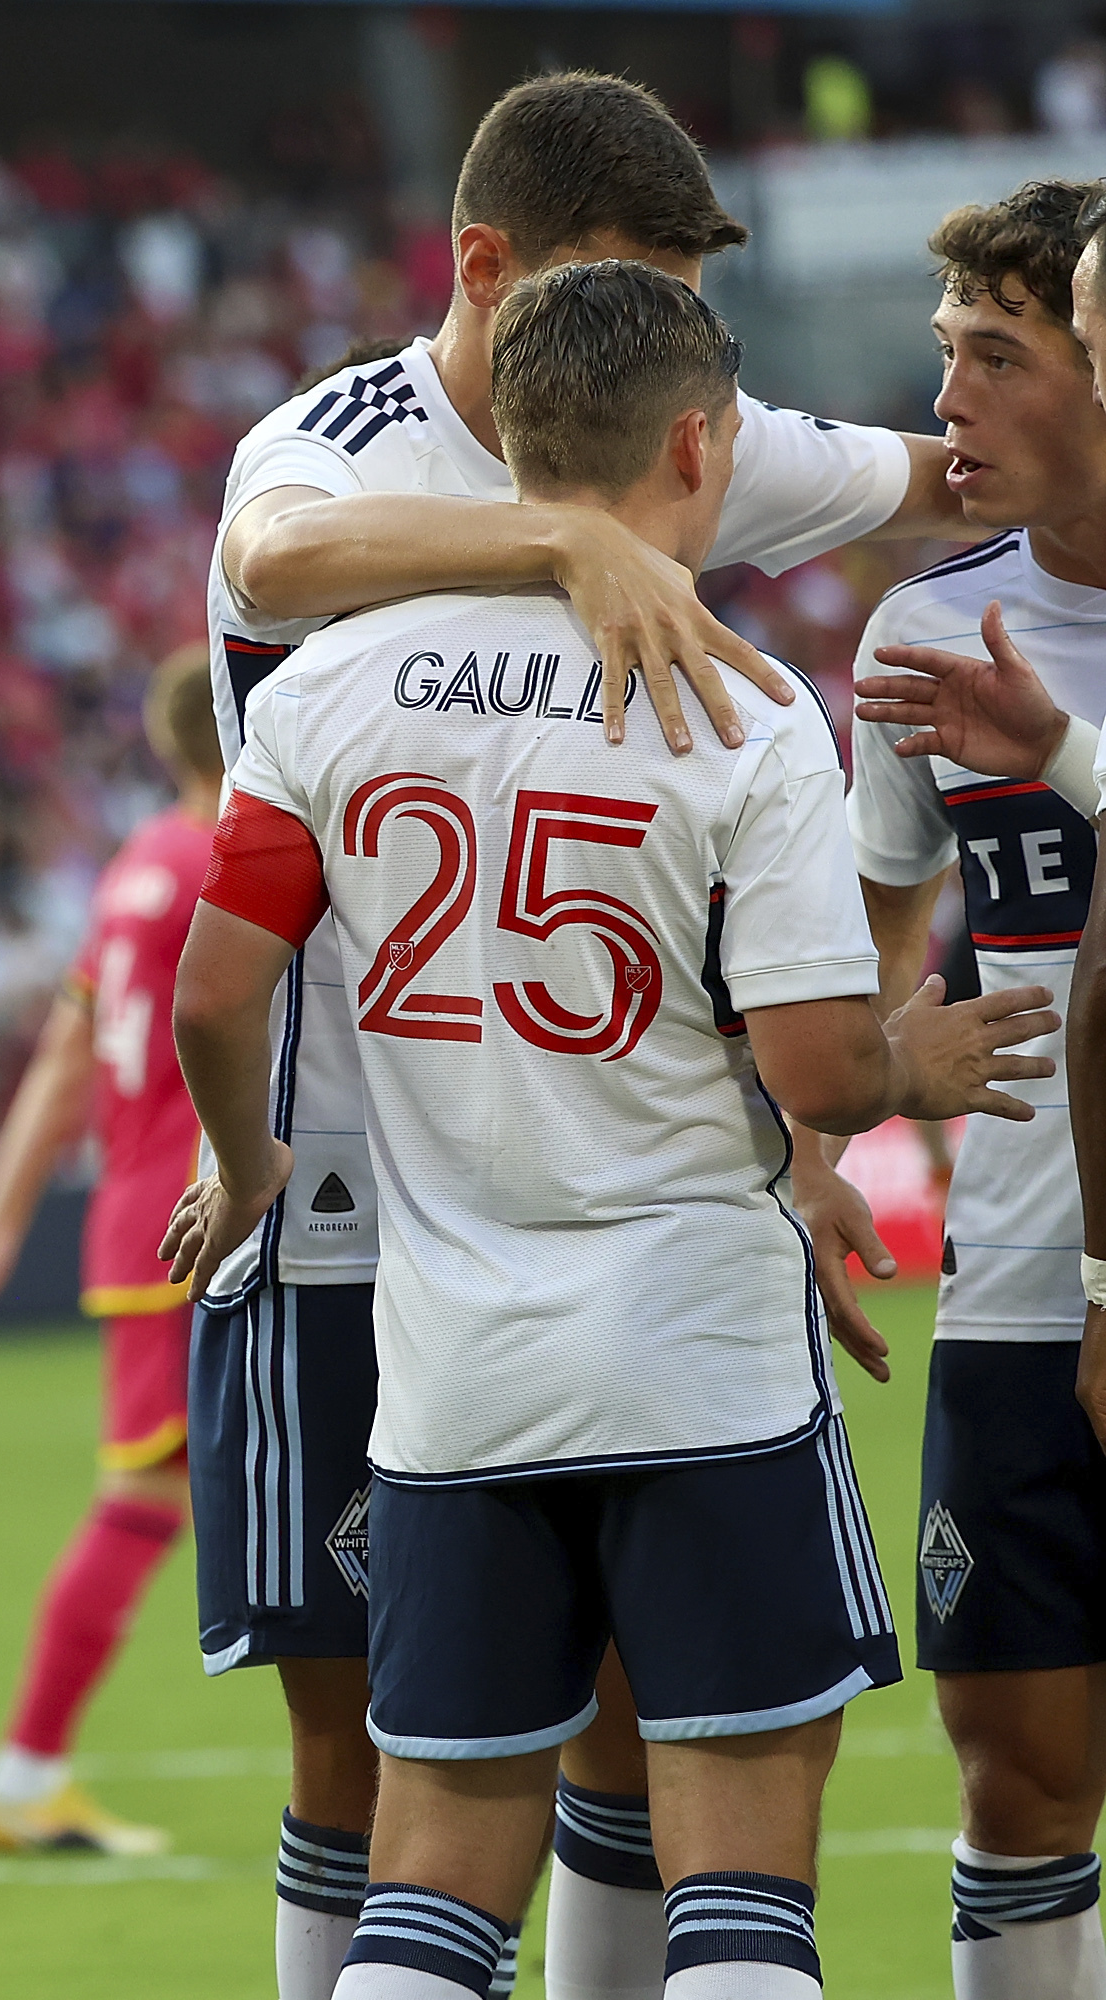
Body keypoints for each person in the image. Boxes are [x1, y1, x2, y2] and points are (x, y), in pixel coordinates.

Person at [167, 260, 1053, 2000]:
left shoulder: (327, 693)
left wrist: (256, 1169)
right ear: (700, 444)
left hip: (450, 1380)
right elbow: (810, 1068)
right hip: (701, 1359)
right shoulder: (743, 705)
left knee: (430, 1901)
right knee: (740, 1892)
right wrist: (912, 1065)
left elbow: (214, 997)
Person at [823, 181, 1106, 1999]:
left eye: (997, 360)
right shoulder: (924, 646)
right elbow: (853, 963)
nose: (953, 408)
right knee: (1017, 1787)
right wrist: (805, 1150)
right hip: (1014, 1295)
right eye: (946, 361)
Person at [0, 644, 219, 1856]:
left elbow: (62, 1054)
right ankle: (27, 1769)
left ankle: (30, 1769)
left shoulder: (140, 864)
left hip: (140, 1215)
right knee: (149, 1498)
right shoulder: (222, 863)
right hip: (205, 1216)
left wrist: (0, 1213)